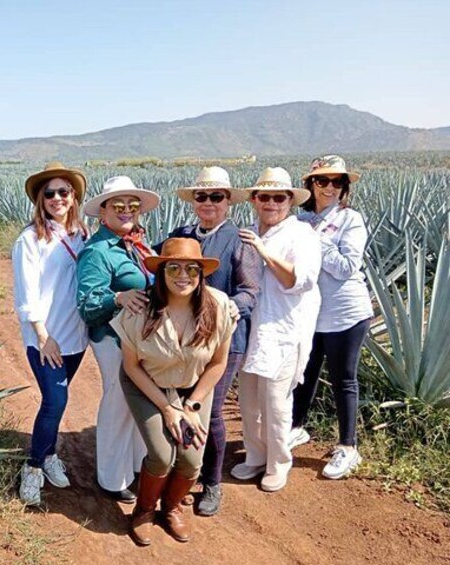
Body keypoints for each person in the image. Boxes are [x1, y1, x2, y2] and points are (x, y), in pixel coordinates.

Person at [111, 238, 234, 545]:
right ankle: (143, 510)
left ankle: (172, 508)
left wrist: (190, 406)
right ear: (162, 271)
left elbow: (218, 364)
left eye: (192, 269)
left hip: (193, 388)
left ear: (201, 274)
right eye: (174, 267)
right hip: (147, 384)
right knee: (162, 454)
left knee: (192, 459)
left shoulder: (219, 306)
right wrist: (167, 409)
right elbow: (132, 366)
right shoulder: (140, 308)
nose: (184, 275)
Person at [159, 166, 261, 516]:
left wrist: (231, 308)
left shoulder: (240, 240)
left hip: (224, 340)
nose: (208, 202)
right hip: (181, 339)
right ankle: (183, 474)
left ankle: (212, 483)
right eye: (201, 196)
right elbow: (153, 264)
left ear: (228, 201)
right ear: (194, 201)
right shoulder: (181, 234)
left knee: (208, 410)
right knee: (181, 403)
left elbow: (249, 291)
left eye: (216, 196)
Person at [230, 167, 321, 493]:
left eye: (278, 197)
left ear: (290, 201)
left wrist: (263, 251)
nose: (271, 203)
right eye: (264, 196)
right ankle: (255, 455)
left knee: (277, 403)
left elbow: (299, 280)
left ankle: (278, 463)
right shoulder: (249, 231)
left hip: (285, 331)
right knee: (249, 400)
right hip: (251, 331)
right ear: (254, 200)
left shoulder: (302, 235)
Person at [77, 175, 161, 502]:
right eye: (118, 205)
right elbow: (86, 304)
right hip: (111, 338)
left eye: (132, 205)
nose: (127, 210)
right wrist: (118, 298)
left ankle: (138, 466)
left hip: (140, 337)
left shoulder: (138, 242)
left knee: (138, 403)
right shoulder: (97, 251)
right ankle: (112, 478)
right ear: (103, 212)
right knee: (118, 402)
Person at [291, 155, 372, 479]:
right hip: (310, 312)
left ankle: (348, 447)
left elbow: (345, 268)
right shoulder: (299, 220)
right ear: (310, 185)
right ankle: (296, 427)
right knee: (305, 373)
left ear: (344, 187)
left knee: (343, 379)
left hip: (346, 312)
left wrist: (317, 239)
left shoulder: (350, 219)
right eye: (321, 180)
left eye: (337, 181)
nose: (329, 187)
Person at [13, 162, 90, 506]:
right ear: (40, 200)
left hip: (75, 337)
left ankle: (48, 457)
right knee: (54, 401)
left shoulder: (83, 235)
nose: (57, 198)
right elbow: (26, 293)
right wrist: (44, 336)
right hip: (47, 339)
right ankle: (32, 467)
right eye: (50, 193)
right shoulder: (29, 240)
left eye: (64, 192)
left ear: (74, 197)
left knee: (57, 402)